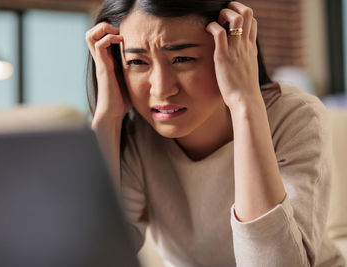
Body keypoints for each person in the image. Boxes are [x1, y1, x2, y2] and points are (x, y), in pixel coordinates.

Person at [86, 0, 345, 266]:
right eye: (138, 62)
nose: (161, 90)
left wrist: (245, 105)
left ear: (233, 51)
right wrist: (107, 118)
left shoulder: (294, 116)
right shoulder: (137, 135)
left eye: (182, 58)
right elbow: (91, 256)